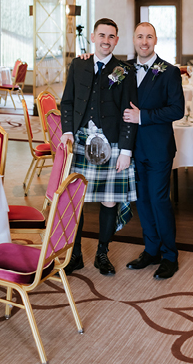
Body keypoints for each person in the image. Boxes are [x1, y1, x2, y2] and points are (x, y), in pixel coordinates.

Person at [60, 18, 138, 276]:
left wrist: (126, 150)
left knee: (109, 200)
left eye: (111, 36)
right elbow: (68, 102)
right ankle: (75, 254)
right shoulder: (79, 64)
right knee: (76, 201)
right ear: (93, 37)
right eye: (101, 35)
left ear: (116, 40)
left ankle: (102, 253)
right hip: (81, 140)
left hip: (113, 142)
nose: (106, 40)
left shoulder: (124, 70)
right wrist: (68, 132)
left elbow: (129, 111)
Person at [123, 22, 184, 280]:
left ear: (156, 40)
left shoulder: (168, 71)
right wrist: (85, 58)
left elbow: (177, 110)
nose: (144, 41)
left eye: (149, 37)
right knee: (143, 201)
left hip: (159, 148)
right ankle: (151, 250)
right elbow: (100, 77)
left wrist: (143, 116)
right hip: (133, 148)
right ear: (134, 40)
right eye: (140, 37)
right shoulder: (123, 68)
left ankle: (170, 255)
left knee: (159, 201)